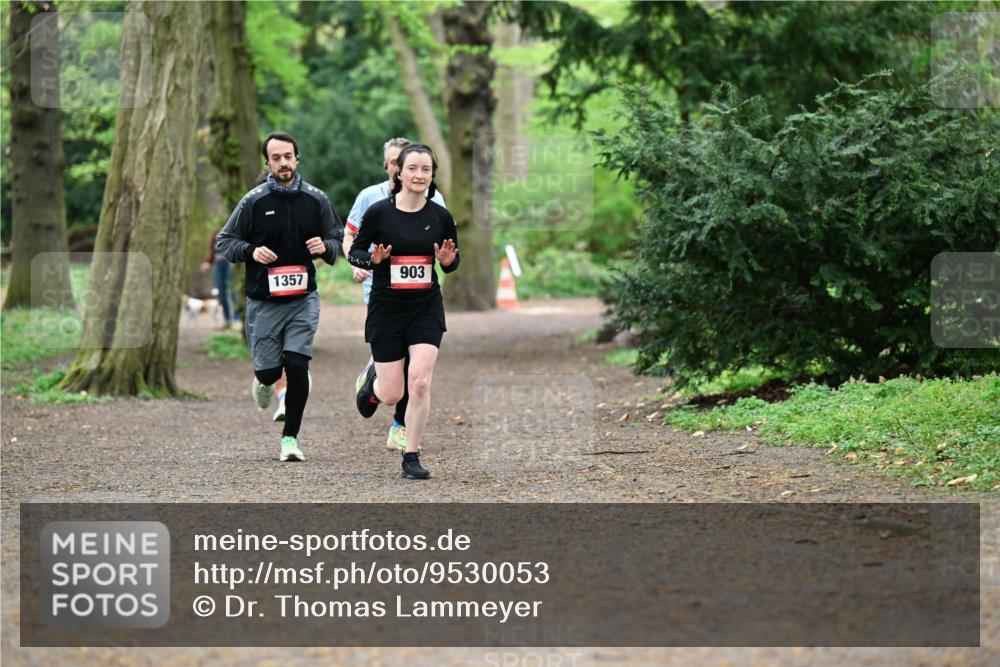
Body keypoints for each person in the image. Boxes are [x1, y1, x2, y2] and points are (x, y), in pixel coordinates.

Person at [217, 131, 343, 462]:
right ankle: (263, 382)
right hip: (264, 301)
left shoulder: (316, 199)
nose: (283, 163)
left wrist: (326, 247)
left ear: (297, 158)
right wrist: (251, 250)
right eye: (276, 158)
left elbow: (337, 237)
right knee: (270, 372)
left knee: (298, 365)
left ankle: (290, 439)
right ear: (268, 163)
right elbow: (225, 241)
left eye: (288, 156)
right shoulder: (254, 201)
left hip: (303, 298)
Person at [348, 143, 459, 479]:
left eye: (426, 170)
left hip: (425, 307)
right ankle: (372, 386)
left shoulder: (441, 217)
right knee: (392, 392)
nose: (419, 175)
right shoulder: (380, 213)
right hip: (387, 308)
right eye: (413, 168)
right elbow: (355, 252)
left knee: (421, 382)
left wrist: (448, 262)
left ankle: (411, 456)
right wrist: (373, 260)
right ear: (399, 171)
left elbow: (453, 262)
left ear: (432, 175)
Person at [200, 234, 238, 330]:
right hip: (218, 265)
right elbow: (212, 251)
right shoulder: (215, 232)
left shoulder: (232, 224)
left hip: (229, 263)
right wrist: (208, 262)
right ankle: (227, 320)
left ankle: (237, 320)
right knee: (221, 293)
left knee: (232, 292)